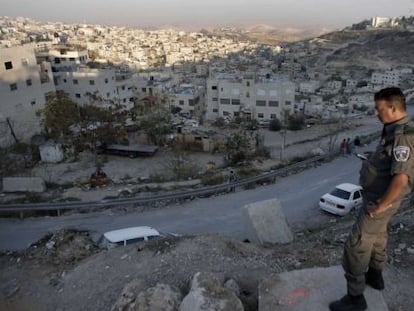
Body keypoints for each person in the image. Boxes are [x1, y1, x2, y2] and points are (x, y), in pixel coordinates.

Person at [329, 87, 414, 311]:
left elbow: (401, 179)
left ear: (393, 108)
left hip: (380, 200)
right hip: (380, 198)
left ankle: (355, 298)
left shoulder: (403, 135)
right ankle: (375, 276)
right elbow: (389, 162)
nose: (376, 113)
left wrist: (380, 206)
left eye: (379, 109)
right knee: (378, 237)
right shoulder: (394, 128)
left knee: (356, 245)